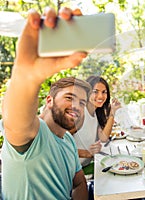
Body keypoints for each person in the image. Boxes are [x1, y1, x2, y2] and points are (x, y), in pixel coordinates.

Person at [1, 7, 90, 199]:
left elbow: (79, 182)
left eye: (82, 103)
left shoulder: (67, 140)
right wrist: (28, 76)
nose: (77, 106)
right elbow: (16, 120)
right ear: (49, 100)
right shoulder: (34, 133)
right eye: (69, 97)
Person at [72, 75, 121, 169]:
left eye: (104, 92)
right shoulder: (78, 113)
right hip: (73, 170)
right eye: (95, 92)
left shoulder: (96, 113)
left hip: (87, 166)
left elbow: (103, 137)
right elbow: (61, 147)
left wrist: (112, 113)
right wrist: (87, 153)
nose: (100, 96)